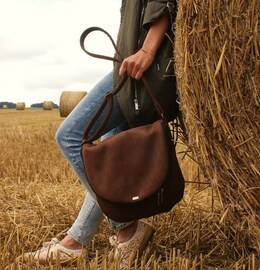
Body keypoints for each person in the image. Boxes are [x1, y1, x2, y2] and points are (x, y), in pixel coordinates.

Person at [23, 0, 178, 268]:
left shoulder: (146, 55)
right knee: (110, 161)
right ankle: (76, 241)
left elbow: (163, 3)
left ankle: (127, 228)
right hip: (131, 63)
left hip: (142, 67)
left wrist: (147, 50)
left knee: (69, 136)